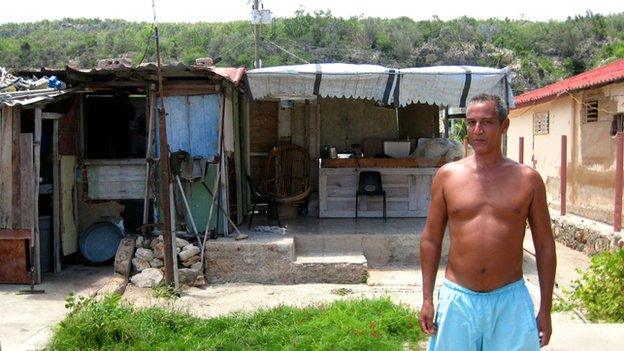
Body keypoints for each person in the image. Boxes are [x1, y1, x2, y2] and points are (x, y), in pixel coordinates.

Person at [419, 94, 556, 350]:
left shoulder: (528, 180)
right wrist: (427, 299)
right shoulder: (448, 176)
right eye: (471, 123)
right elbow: (431, 238)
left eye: (487, 122)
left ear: (505, 125)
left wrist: (545, 309)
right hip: (458, 300)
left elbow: (545, 246)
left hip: (510, 301)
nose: (477, 130)